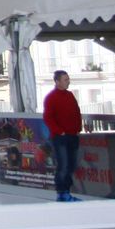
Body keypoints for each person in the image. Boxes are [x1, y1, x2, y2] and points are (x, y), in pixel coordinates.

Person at [42, 70, 82, 202]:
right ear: (57, 81)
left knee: (71, 164)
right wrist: (60, 131)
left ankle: (67, 191)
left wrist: (78, 128)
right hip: (60, 138)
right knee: (63, 165)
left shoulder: (70, 95)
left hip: (72, 135)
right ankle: (62, 192)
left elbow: (76, 112)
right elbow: (48, 117)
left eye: (68, 79)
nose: (68, 81)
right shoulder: (51, 97)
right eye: (65, 79)